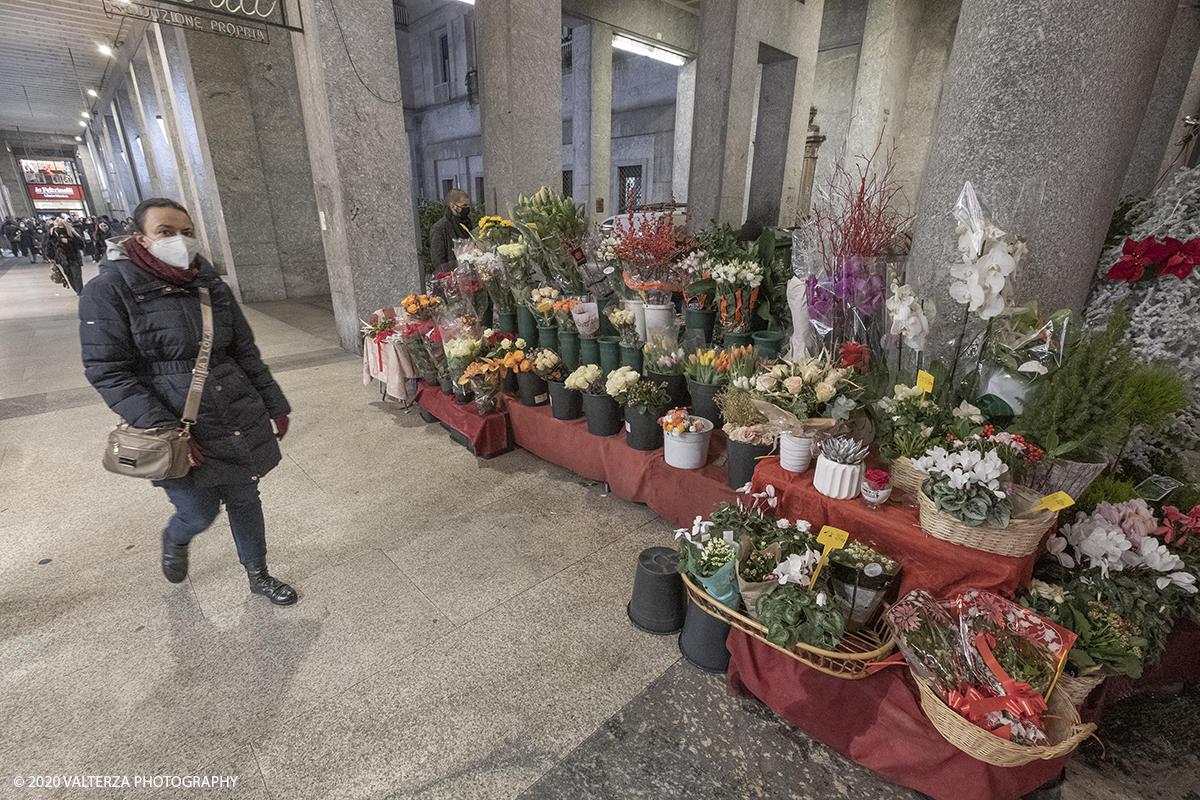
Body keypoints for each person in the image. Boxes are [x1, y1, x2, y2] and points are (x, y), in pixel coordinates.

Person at [79, 198, 298, 605]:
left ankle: (259, 575)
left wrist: (274, 402)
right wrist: (161, 427)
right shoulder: (108, 289)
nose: (179, 240)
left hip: (234, 409)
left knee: (245, 497)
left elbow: (245, 351)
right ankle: (175, 538)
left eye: (187, 231)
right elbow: (108, 370)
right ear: (140, 237)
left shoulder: (209, 284)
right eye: (166, 231)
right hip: (176, 428)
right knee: (198, 511)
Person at [429, 188, 471, 273]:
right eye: (464, 206)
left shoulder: (467, 222)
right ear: (453, 206)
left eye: (468, 205)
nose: (468, 208)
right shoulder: (440, 228)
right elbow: (438, 261)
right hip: (452, 278)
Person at [44, 218, 85, 295]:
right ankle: (78, 290)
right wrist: (51, 257)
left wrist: (69, 241)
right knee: (71, 275)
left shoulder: (71, 232)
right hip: (63, 258)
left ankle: (79, 291)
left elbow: (81, 245)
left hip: (73, 257)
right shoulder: (52, 233)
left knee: (76, 275)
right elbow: (49, 246)